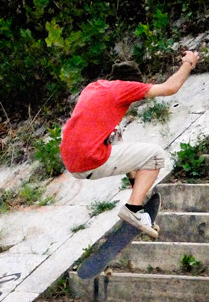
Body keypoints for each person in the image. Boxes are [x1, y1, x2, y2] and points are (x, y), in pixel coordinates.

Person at [60, 50, 200, 238]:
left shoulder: (94, 88)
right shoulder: (124, 88)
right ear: (132, 83)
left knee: (118, 137)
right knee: (156, 155)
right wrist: (188, 63)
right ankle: (132, 209)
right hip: (90, 158)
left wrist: (139, 191)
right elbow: (170, 88)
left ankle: (136, 208)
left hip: (71, 160)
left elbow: (125, 155)